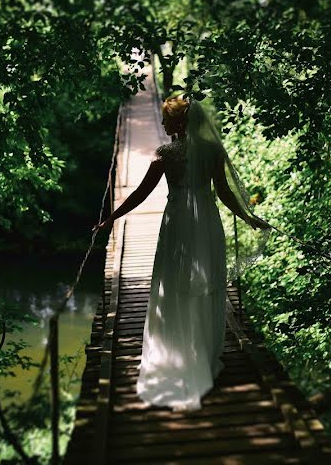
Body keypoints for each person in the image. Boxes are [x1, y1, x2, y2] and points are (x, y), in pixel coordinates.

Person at [94, 95, 268, 411]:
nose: (161, 124)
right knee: (206, 284)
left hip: (178, 224)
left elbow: (139, 193)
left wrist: (110, 219)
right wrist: (248, 218)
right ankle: (202, 352)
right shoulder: (213, 152)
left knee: (173, 283)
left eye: (166, 119)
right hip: (206, 223)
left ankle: (178, 354)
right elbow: (225, 194)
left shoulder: (166, 154)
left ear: (178, 123)